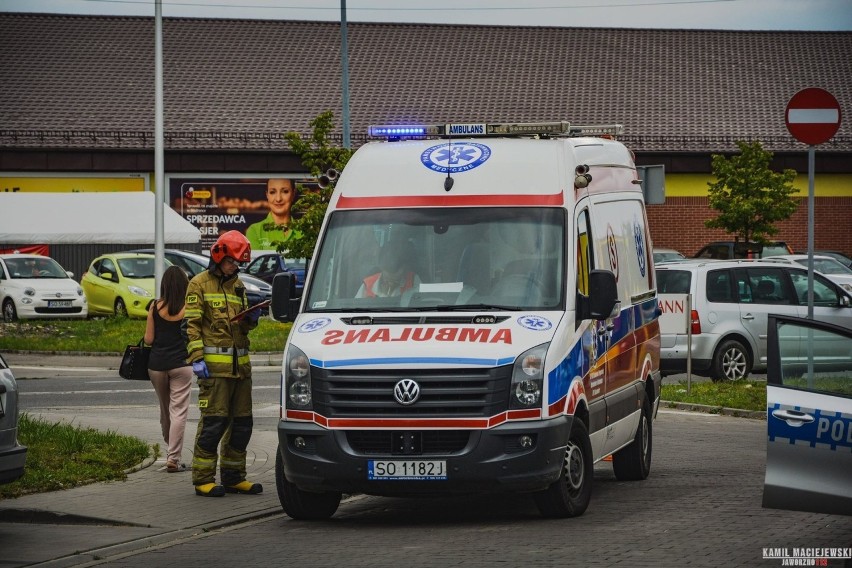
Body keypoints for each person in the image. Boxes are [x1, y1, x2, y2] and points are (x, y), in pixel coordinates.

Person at [184, 230, 263, 497]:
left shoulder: (238, 285)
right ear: (218, 256)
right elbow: (191, 326)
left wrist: (250, 319)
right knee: (213, 424)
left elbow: (240, 329)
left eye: (239, 263)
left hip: (241, 370)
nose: (235, 266)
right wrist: (197, 359)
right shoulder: (198, 284)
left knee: (242, 426)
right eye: (232, 261)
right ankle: (203, 479)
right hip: (214, 372)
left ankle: (233, 477)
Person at [144, 265, 193, 473]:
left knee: (166, 411)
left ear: (164, 285)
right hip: (181, 365)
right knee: (178, 412)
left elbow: (148, 340)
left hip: (156, 365)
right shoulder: (188, 309)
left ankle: (171, 450)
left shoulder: (154, 307)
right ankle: (173, 457)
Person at [245, 178, 300, 251]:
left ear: (293, 194)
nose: (278, 199)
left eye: (285, 191)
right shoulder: (254, 231)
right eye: (272, 192)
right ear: (267, 195)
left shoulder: (303, 231)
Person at [356, 240, 421, 298]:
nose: (391, 284)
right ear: (381, 268)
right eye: (387, 280)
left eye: (396, 281)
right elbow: (356, 308)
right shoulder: (368, 284)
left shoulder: (414, 281)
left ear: (405, 269)